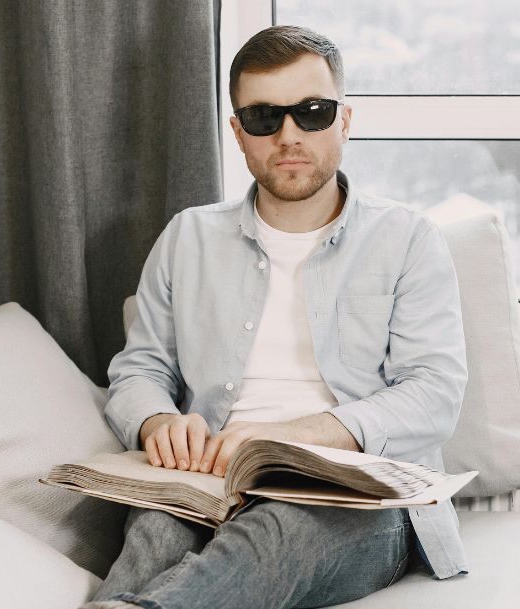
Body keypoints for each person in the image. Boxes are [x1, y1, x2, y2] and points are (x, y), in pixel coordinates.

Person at [86, 25, 468, 609]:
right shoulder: (187, 236)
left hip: (354, 498)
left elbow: (434, 394)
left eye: (312, 113)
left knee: (275, 533)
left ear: (344, 119)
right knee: (155, 532)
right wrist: (158, 422)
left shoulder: (408, 239)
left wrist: (289, 438)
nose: (289, 136)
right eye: (264, 118)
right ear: (238, 132)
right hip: (209, 480)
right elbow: (139, 369)